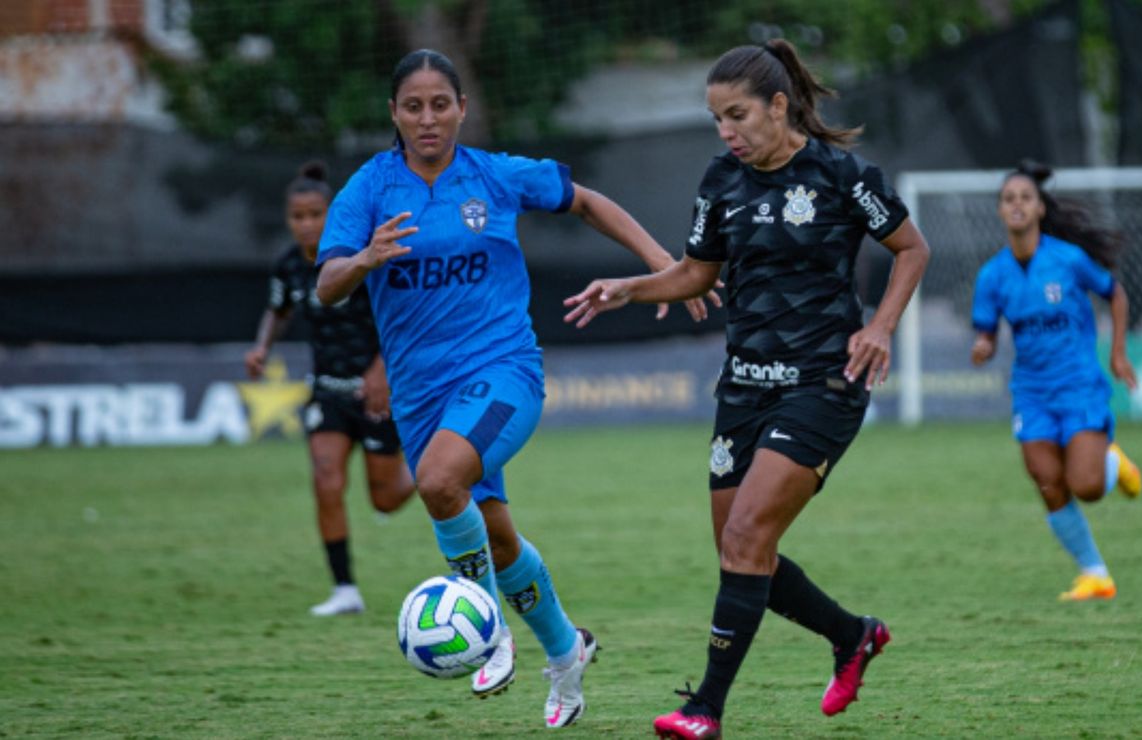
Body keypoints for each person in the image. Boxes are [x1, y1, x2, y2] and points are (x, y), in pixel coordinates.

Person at [314, 49, 716, 728]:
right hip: (421, 398)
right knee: (495, 536)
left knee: (442, 482)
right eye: (412, 106)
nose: (428, 118)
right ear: (393, 113)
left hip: (504, 372)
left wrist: (662, 263)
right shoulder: (370, 188)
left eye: (441, 103)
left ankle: (485, 622)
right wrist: (364, 258)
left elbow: (585, 200)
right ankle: (566, 654)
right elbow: (327, 286)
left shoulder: (496, 176)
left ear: (462, 108)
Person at [564, 39, 930, 739]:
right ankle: (853, 636)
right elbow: (696, 273)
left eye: (737, 116)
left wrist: (880, 326)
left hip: (824, 383)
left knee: (743, 538)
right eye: (716, 120)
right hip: (744, 388)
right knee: (742, 553)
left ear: (779, 106)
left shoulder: (842, 174)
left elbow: (913, 248)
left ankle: (704, 710)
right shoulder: (721, 180)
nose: (726, 132)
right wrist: (629, 289)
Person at [244, 161, 416, 617]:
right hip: (327, 389)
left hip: (377, 391)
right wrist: (262, 347)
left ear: (332, 213)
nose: (306, 224)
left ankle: (430, 467)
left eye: (315, 215)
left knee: (386, 497)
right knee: (326, 480)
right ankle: (345, 590)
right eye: (297, 216)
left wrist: (381, 369)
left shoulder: (358, 256)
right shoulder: (288, 266)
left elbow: (399, 315)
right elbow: (278, 309)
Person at [971, 159, 1142, 602]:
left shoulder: (1067, 259)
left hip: (1078, 384)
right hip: (1031, 391)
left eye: (1025, 198)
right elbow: (986, 330)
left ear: (1040, 208)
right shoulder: (993, 275)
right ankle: (1095, 574)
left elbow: (1115, 292)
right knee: (1047, 480)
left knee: (1085, 486)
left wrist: (1118, 353)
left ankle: (1112, 462)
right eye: (1009, 199)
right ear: (999, 210)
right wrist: (984, 345)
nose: (1017, 205)